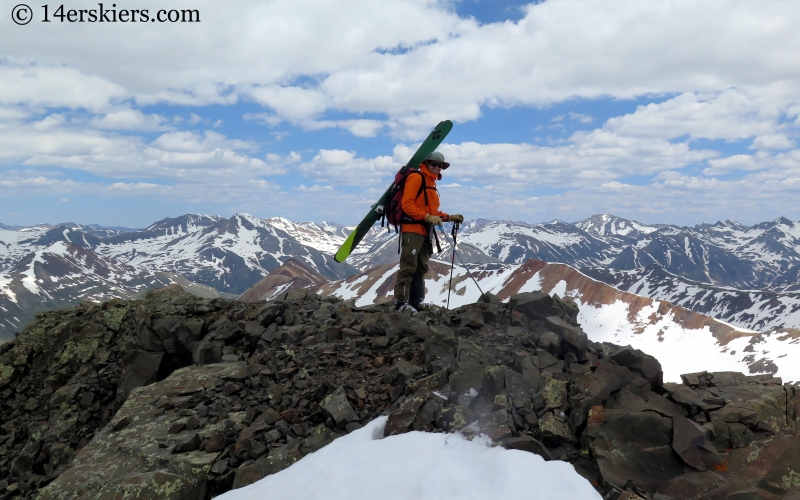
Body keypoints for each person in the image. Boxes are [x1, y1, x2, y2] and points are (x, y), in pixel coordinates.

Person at [393, 151, 464, 314]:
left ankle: (417, 301)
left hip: (425, 231)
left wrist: (449, 217)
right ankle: (400, 303)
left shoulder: (431, 183)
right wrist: (426, 217)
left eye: (440, 166)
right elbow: (407, 205)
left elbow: (431, 211)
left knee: (420, 267)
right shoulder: (417, 178)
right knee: (408, 266)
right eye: (434, 164)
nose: (437, 168)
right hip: (412, 229)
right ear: (426, 163)